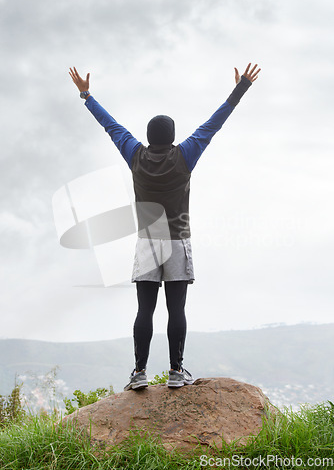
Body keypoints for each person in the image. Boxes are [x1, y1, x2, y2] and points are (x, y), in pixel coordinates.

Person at [69, 62, 261, 390]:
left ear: (148, 137)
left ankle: (139, 372)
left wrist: (86, 95)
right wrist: (240, 88)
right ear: (173, 138)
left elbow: (111, 126)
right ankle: (176, 372)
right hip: (178, 240)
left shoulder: (135, 155)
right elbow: (213, 124)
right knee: (176, 308)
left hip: (147, 241)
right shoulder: (185, 155)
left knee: (145, 309)